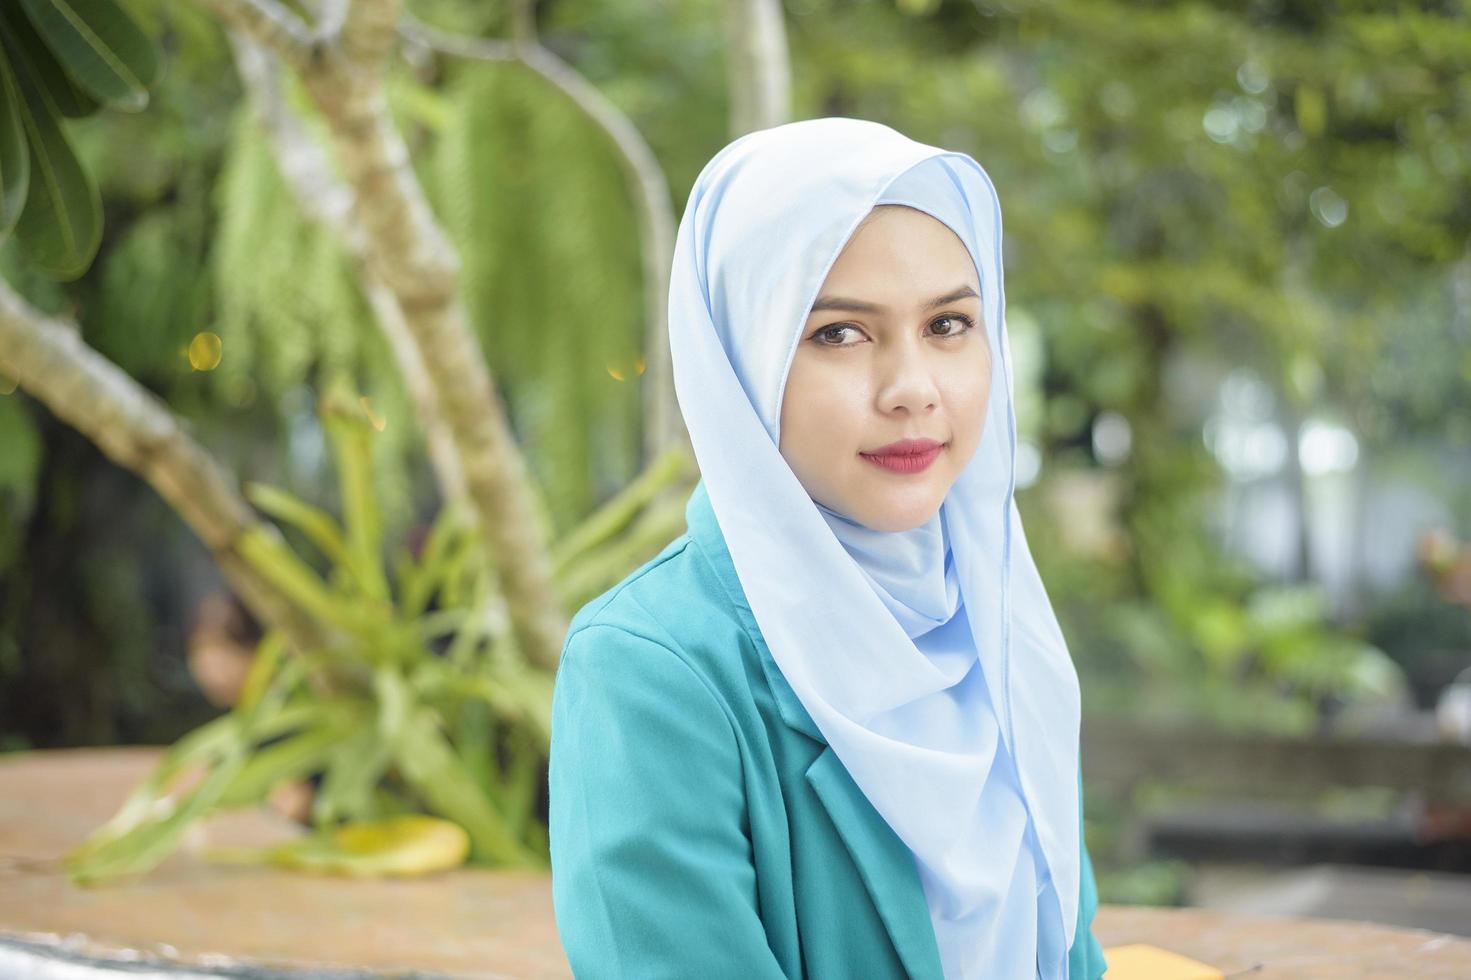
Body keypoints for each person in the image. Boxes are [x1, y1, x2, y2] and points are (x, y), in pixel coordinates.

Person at [548, 116, 1109, 979]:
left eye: (950, 325)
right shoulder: (652, 673)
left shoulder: (997, 619)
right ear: (742, 358)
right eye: (838, 334)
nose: (912, 390)